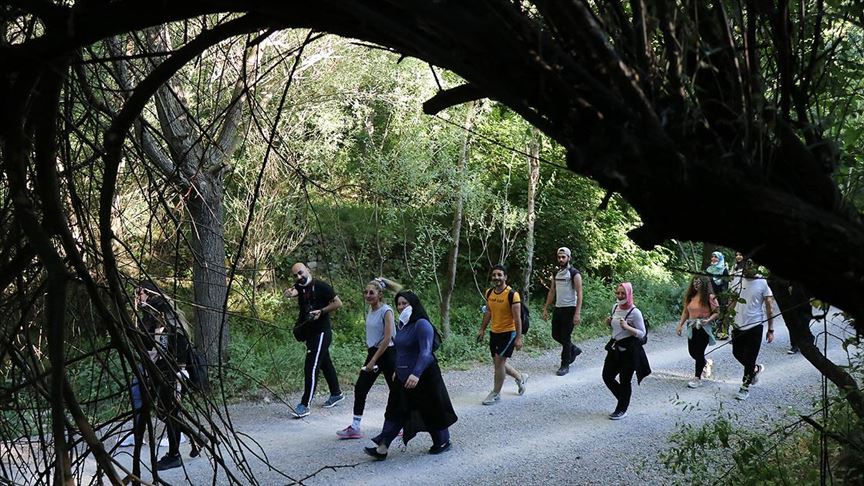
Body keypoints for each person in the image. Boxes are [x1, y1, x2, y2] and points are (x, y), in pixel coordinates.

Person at [364, 290, 457, 460]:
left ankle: (443, 441)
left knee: (432, 410)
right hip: (402, 377)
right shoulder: (402, 325)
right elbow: (401, 351)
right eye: (398, 304)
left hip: (424, 376)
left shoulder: (422, 324)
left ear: (413, 304)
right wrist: (396, 371)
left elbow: (426, 352)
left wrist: (416, 373)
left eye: (404, 303)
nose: (400, 307)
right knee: (394, 410)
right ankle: (382, 447)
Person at [133, 282, 200, 471]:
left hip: (168, 370)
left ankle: (174, 455)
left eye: (139, 293)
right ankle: (196, 440)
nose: (136, 297)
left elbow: (160, 343)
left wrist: (161, 365)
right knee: (167, 412)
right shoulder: (160, 308)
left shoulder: (158, 311)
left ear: (147, 293)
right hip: (166, 369)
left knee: (169, 412)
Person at [336, 279, 397, 439]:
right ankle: (355, 427)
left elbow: (387, 338)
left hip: (388, 353)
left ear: (380, 294)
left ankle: (401, 425)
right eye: (366, 292)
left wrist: (372, 360)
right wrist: (371, 356)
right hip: (374, 353)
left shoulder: (387, 311)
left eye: (372, 292)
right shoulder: (371, 310)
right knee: (361, 388)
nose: (368, 295)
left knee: (396, 390)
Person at [286, 263, 344, 418]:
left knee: (311, 366)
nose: (299, 277)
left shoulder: (321, 286)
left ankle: (305, 405)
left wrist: (322, 311)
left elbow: (338, 302)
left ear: (308, 270)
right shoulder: (299, 285)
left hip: (322, 332)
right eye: (295, 275)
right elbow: (295, 291)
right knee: (325, 363)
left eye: (300, 273)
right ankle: (336, 393)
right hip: (309, 332)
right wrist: (289, 293)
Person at [476, 265, 527, 405]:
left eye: (499, 275)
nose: (496, 277)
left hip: (508, 333)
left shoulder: (512, 295)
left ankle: (496, 393)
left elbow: (517, 319)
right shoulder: (489, 293)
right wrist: (482, 329)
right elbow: (488, 312)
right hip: (494, 332)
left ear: (505, 277)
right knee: (498, 363)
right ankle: (520, 377)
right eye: (494, 275)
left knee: (499, 362)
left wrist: (518, 338)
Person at [601, 282, 650, 420]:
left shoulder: (635, 312)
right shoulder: (615, 307)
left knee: (625, 380)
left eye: (623, 293)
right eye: (618, 293)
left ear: (629, 294)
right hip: (614, 348)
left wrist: (628, 327)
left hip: (630, 351)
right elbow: (615, 328)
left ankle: (622, 408)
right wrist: (609, 322)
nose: (620, 295)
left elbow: (642, 333)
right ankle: (623, 399)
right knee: (607, 376)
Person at [729, 260, 775, 401]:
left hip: (755, 325)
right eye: (747, 265)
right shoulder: (737, 278)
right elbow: (732, 300)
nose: (750, 268)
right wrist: (727, 321)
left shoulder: (763, 282)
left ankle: (745, 386)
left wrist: (770, 329)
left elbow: (769, 306)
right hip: (737, 324)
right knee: (736, 352)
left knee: (750, 357)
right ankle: (754, 369)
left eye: (753, 265)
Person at [542, 247, 583, 376]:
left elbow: (580, 293)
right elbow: (552, 291)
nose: (561, 259)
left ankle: (564, 365)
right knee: (555, 334)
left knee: (565, 337)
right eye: (559, 257)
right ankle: (573, 349)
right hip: (558, 308)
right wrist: (546, 308)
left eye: (563, 257)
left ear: (568, 258)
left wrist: (577, 313)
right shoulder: (556, 273)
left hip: (570, 308)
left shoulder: (574, 273)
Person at [675, 276, 720, 388]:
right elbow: (686, 312)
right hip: (692, 326)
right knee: (692, 351)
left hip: (704, 327)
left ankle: (697, 378)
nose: (695, 284)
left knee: (699, 352)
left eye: (698, 282)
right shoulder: (691, 297)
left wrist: (708, 319)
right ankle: (705, 363)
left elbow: (717, 312)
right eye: (694, 282)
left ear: (704, 284)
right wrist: (680, 325)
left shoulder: (710, 297)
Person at [705, 251, 730, 339]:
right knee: (711, 311)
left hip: (721, 295)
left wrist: (723, 296)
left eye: (716, 257)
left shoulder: (724, 270)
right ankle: (710, 331)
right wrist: (710, 293)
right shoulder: (709, 270)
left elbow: (725, 284)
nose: (713, 259)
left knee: (722, 312)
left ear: (720, 259)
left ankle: (722, 332)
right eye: (712, 257)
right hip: (711, 295)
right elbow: (707, 283)